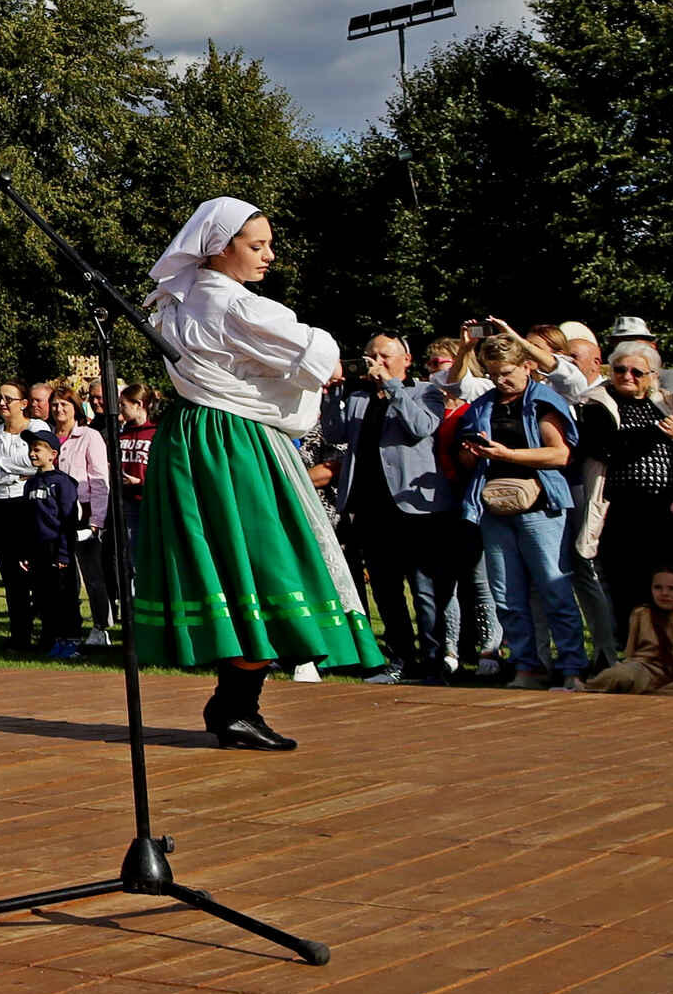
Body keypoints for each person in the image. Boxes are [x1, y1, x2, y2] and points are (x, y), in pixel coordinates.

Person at [135, 199, 385, 750]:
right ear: (219, 248)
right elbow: (313, 352)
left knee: (235, 564)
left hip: (194, 435)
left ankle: (235, 705)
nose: (269, 256)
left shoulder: (182, 296)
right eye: (257, 245)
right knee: (266, 560)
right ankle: (235, 706)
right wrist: (326, 358)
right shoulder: (229, 301)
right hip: (233, 440)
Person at [315, 335, 442, 683]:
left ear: (406, 360)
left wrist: (392, 387)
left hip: (414, 508)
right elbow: (334, 433)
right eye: (370, 356)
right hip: (370, 506)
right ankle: (401, 660)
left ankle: (434, 662)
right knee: (385, 590)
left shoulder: (426, 392)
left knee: (424, 589)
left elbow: (421, 427)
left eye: (385, 356)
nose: (376, 362)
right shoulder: (359, 397)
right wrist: (333, 394)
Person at [461, 335, 585, 688]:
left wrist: (509, 455)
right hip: (494, 508)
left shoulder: (542, 401)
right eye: (493, 373)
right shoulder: (482, 406)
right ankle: (526, 667)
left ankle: (573, 668)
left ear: (527, 366)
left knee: (554, 589)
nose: (500, 380)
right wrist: (472, 451)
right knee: (506, 595)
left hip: (541, 507)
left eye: (507, 372)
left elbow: (559, 455)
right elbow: (465, 461)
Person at [584, 342, 673, 610]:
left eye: (637, 372)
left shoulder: (664, 402)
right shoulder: (597, 404)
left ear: (653, 375)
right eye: (620, 370)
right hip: (623, 512)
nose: (627, 376)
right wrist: (658, 431)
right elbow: (607, 446)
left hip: (668, 511)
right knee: (630, 588)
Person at [584, 564, 673, 696]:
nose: (664, 593)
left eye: (672, 589)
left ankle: (643, 695)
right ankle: (586, 688)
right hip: (645, 669)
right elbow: (631, 653)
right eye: (658, 588)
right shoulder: (642, 613)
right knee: (622, 675)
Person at [47, 389, 113, 643]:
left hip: (83, 512)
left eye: (64, 404)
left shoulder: (89, 436)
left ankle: (100, 626)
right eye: (55, 404)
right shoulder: (48, 437)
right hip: (53, 514)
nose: (59, 409)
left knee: (92, 573)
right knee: (63, 575)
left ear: (75, 408)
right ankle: (67, 625)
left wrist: (97, 519)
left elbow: (99, 480)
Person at [14, 427, 86, 659]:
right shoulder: (30, 484)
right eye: (30, 449)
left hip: (57, 546)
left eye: (37, 449)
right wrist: (25, 552)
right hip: (38, 549)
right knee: (44, 596)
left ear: (53, 454)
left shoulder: (63, 483)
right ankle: (51, 638)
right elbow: (27, 521)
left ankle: (71, 640)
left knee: (65, 597)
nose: (32, 454)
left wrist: (64, 553)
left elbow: (68, 520)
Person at [0, 384, 38, 647]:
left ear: (23, 403)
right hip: (1, 506)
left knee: (33, 569)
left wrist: (0, 463)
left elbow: (35, 464)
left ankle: (47, 629)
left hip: (28, 504)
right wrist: (13, 475)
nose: (2, 402)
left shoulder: (37, 429)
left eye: (8, 398)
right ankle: (19, 633)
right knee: (9, 571)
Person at [606, 317, 673, 415]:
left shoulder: (670, 379)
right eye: (619, 344)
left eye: (633, 343)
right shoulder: (605, 385)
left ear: (652, 346)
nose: (627, 349)